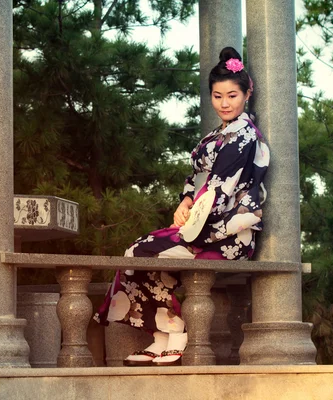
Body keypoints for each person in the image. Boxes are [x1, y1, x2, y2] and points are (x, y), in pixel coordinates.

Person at [93, 47, 270, 366]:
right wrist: (186, 201)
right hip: (202, 223)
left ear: (247, 93)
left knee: (144, 252)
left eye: (232, 95)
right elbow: (198, 179)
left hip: (229, 234)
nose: (225, 103)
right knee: (137, 251)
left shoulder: (244, 137)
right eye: (218, 96)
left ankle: (175, 333)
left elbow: (221, 192)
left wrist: (192, 219)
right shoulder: (219, 134)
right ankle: (161, 336)